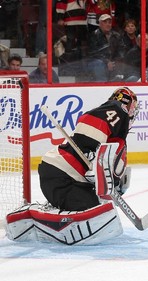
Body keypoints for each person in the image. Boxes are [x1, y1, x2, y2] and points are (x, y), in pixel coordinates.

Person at [5, 87, 138, 245]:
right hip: (63, 176)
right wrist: (94, 160)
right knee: (97, 212)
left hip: (58, 173)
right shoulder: (118, 113)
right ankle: (35, 217)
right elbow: (89, 120)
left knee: (98, 206)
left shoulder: (115, 134)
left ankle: (49, 208)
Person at [87, 14, 126, 82]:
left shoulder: (116, 35)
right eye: (105, 22)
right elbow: (93, 52)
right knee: (98, 63)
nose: (108, 24)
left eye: (109, 22)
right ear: (100, 24)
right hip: (98, 61)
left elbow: (121, 50)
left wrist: (114, 61)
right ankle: (102, 85)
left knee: (121, 63)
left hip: (112, 61)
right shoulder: (94, 35)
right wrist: (107, 61)